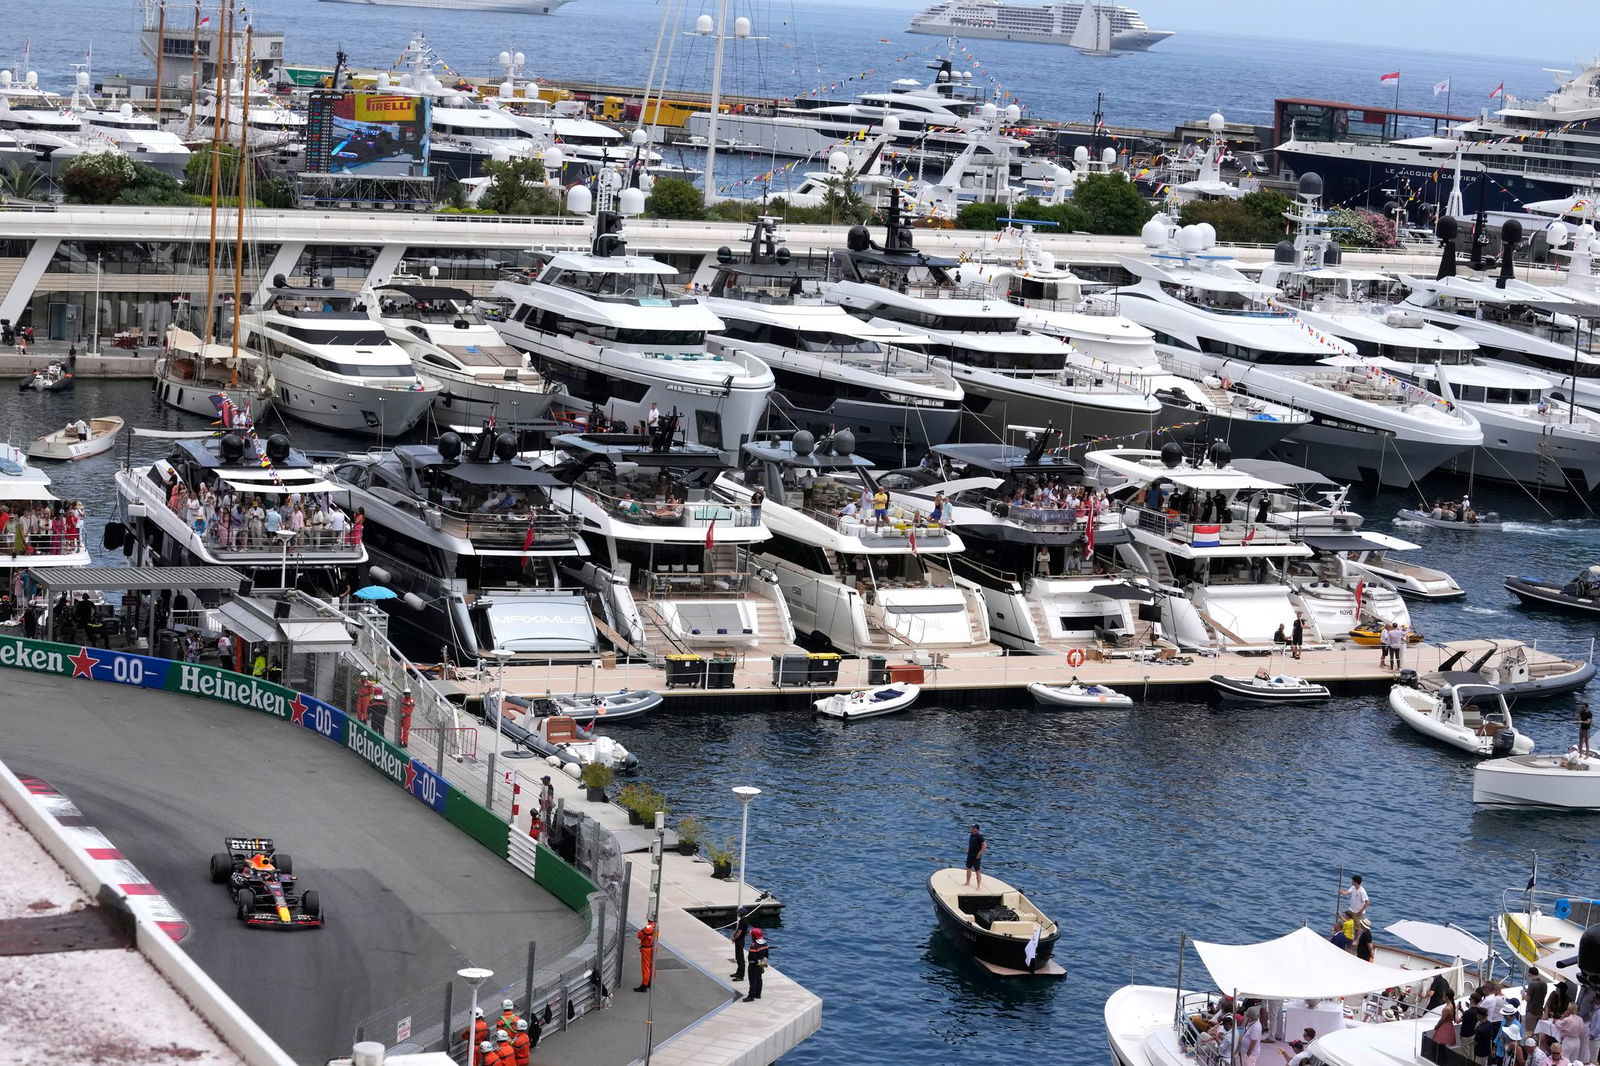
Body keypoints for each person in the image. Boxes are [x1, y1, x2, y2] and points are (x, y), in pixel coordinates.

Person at [744, 928, 768, 1002]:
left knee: (753, 981)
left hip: (753, 965)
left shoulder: (754, 945)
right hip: (760, 964)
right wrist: (762, 965)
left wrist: (752, 963)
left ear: (754, 936)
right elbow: (766, 955)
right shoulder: (765, 943)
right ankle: (758, 994)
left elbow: (752, 956)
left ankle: (751, 996)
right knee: (759, 979)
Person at [730, 905, 752, 981]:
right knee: (738, 957)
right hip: (740, 941)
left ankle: (741, 975)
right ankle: (738, 972)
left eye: (739, 913)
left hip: (740, 941)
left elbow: (739, 933)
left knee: (740, 958)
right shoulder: (743, 920)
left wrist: (734, 938)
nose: (738, 914)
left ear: (741, 914)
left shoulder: (743, 922)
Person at [635, 918, 657, 992]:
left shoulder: (648, 927)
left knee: (646, 967)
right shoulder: (656, 926)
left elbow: (639, 936)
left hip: (646, 949)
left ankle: (644, 985)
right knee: (652, 966)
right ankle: (650, 982)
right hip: (653, 947)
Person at [1526, 969, 1550, 1035]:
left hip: (1531, 1012)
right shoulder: (1544, 984)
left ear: (1530, 974)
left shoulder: (1532, 984)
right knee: (1537, 1033)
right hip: (1539, 1012)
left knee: (1529, 1033)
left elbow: (1527, 999)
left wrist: (1523, 993)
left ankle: (1530, 1045)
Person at [964, 823, 986, 888]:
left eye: (973, 828)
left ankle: (978, 886)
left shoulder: (979, 837)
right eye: (972, 828)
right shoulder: (971, 835)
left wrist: (980, 853)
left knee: (977, 871)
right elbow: (971, 844)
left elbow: (984, 845)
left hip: (976, 856)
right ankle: (967, 882)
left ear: (976, 829)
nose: (972, 829)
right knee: (968, 868)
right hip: (970, 855)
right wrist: (968, 849)